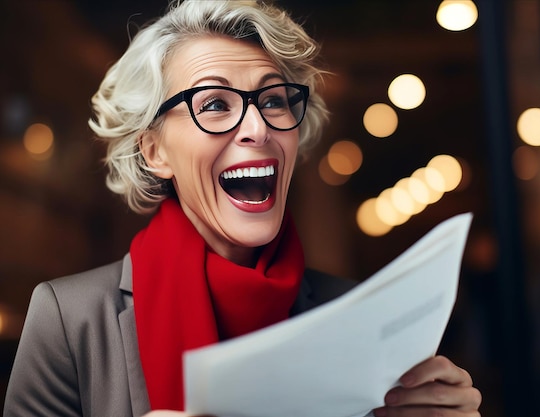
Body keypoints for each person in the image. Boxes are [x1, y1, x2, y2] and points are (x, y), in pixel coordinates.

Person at [3, 1, 482, 416]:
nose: (258, 126)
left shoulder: (358, 314)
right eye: (213, 104)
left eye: (273, 99)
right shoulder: (70, 319)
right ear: (155, 151)